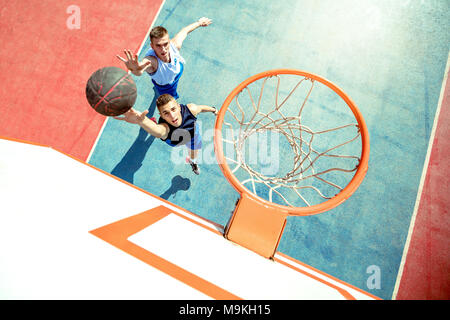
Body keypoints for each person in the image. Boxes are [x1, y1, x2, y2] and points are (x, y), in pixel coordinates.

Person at [114, 93, 218, 175]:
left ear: (179, 107)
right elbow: (159, 132)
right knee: (155, 130)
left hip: (193, 135)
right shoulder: (165, 129)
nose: (172, 116)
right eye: (166, 113)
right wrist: (141, 121)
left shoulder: (191, 109)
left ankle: (193, 162)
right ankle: (151, 123)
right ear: (161, 116)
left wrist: (214, 110)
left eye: (173, 109)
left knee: (194, 154)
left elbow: (202, 108)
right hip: (175, 141)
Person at [116, 17, 212, 99]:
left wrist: (199, 23)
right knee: (171, 99)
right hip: (166, 86)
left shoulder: (174, 45)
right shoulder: (151, 61)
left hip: (178, 71)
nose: (163, 49)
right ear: (152, 46)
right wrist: (134, 69)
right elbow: (140, 70)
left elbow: (185, 31)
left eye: (165, 44)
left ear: (169, 41)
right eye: (158, 45)